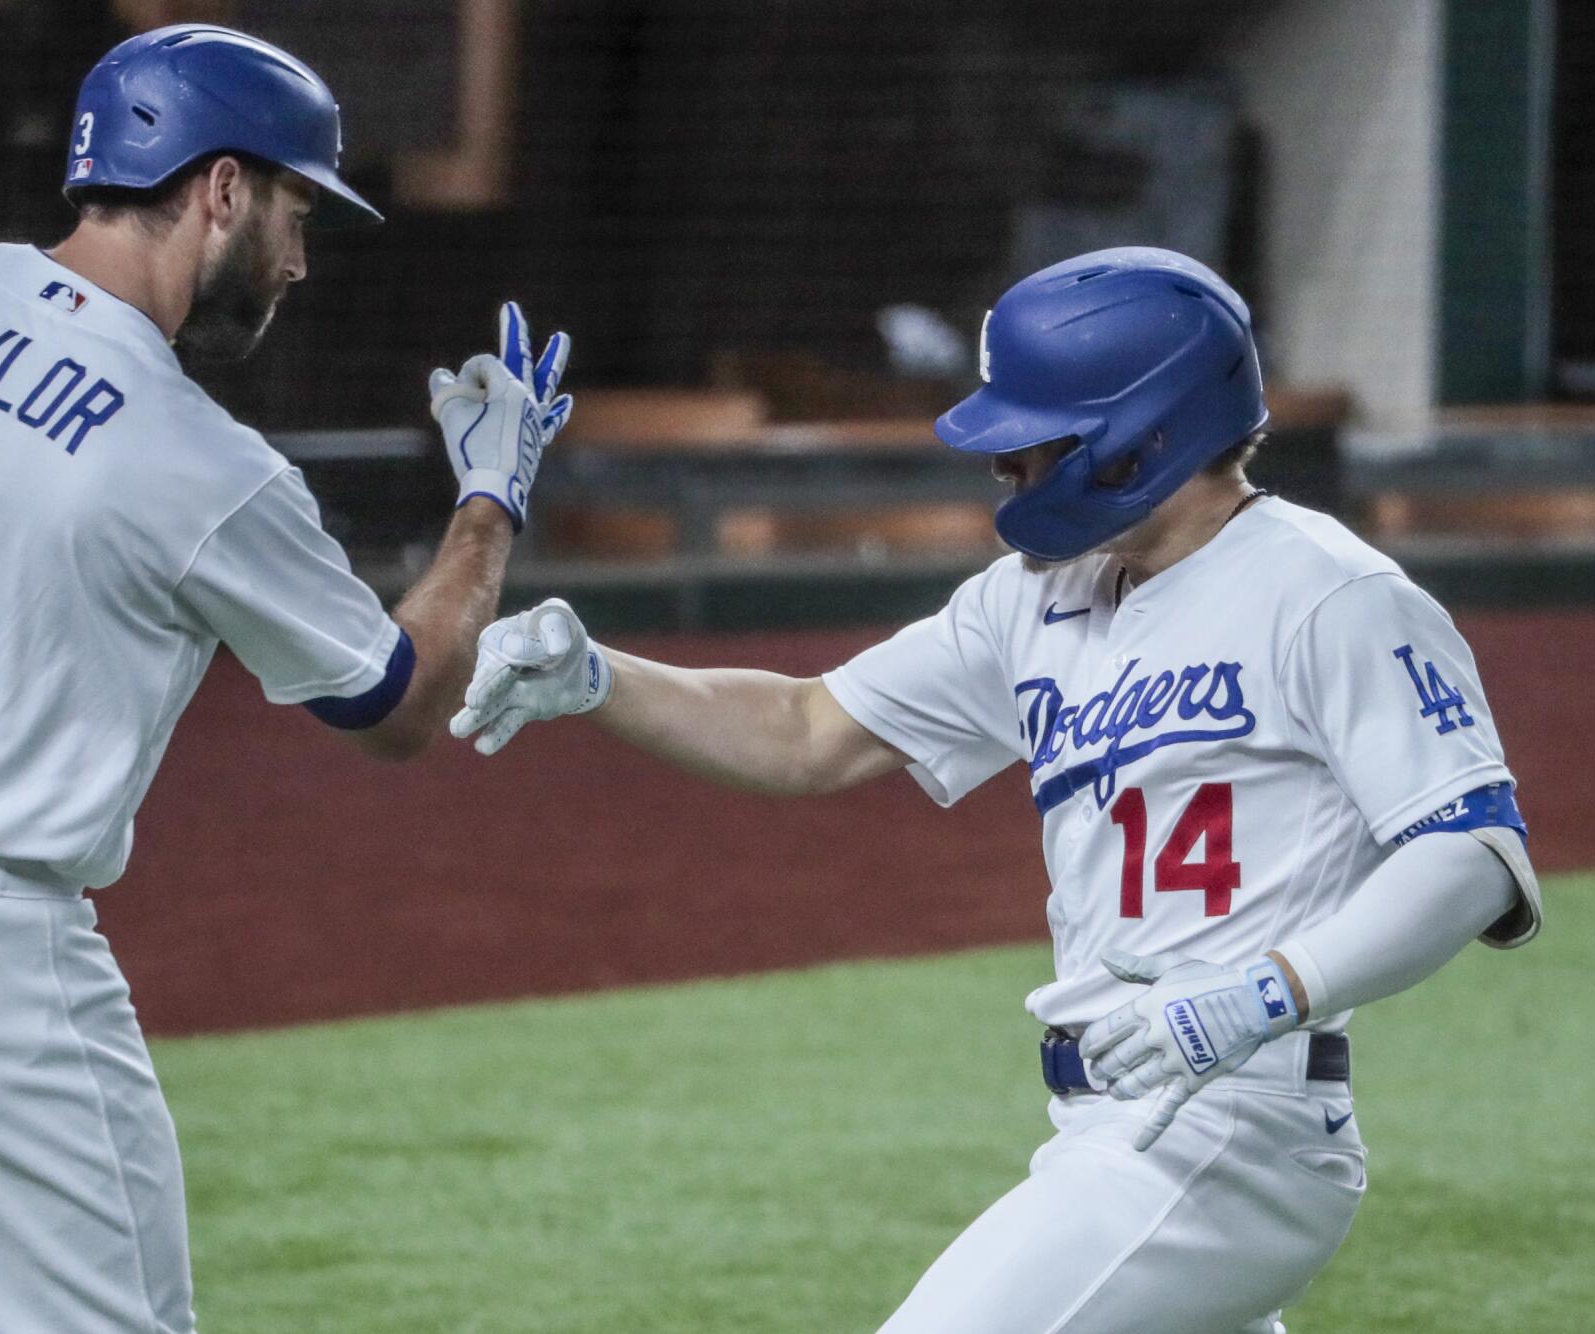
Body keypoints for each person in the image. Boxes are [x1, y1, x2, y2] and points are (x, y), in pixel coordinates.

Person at [0, 24, 571, 1332]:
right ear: (216, 189)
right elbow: (399, 700)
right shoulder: (196, 457)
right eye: (296, 205)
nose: (302, 255)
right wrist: (490, 498)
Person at [449, 247, 1541, 1333]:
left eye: (1032, 432)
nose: (1001, 459)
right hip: (1105, 1120)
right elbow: (808, 727)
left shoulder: (1327, 592)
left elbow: (1469, 857)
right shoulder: (1034, 600)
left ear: (1142, 429)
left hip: (1228, 1124)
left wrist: (1257, 992)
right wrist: (600, 677)